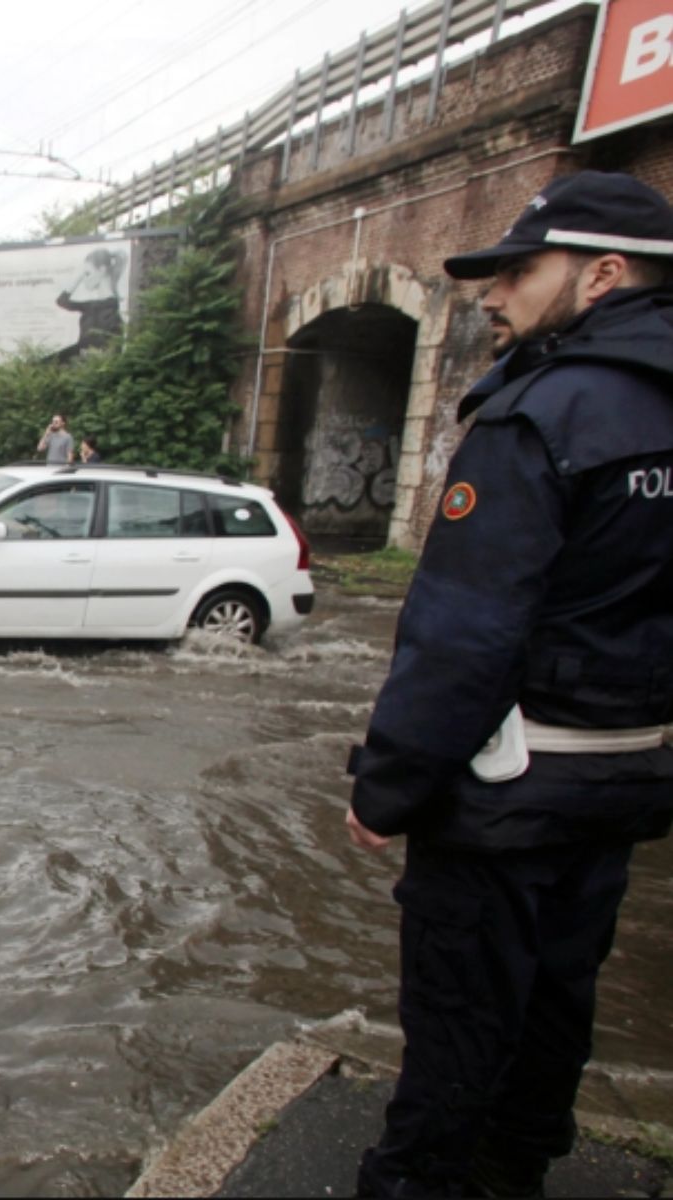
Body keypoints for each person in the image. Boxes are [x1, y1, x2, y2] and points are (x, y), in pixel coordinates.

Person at [346, 171, 673, 1198]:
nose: (492, 295)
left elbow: (463, 634)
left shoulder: (540, 417)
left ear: (603, 275)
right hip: (629, 777)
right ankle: (515, 1174)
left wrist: (386, 786)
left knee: (461, 1016)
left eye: (519, 271)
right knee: (559, 998)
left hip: (508, 795)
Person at [55, 248, 125, 358]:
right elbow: (61, 301)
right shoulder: (92, 306)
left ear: (102, 270)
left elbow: (114, 352)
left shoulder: (111, 311)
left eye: (87, 274)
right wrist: (79, 276)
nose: (84, 279)